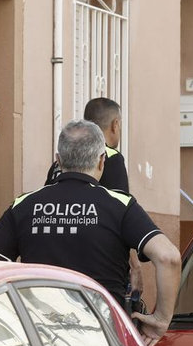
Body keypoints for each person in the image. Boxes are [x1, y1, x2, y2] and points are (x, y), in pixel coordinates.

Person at [0, 119, 179, 346]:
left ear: (58, 160)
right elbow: (168, 257)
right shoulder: (119, 205)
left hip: (41, 339)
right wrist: (161, 319)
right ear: (102, 160)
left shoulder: (24, 205)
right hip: (105, 339)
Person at [46, 97, 143, 301]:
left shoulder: (59, 164)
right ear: (115, 125)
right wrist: (135, 266)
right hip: (98, 271)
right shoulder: (111, 158)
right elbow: (122, 214)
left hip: (55, 269)